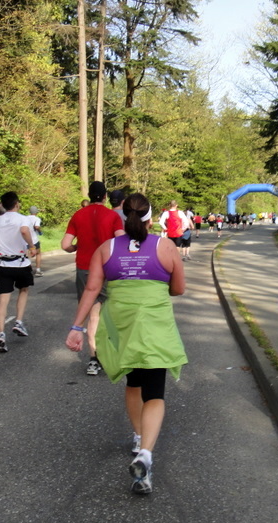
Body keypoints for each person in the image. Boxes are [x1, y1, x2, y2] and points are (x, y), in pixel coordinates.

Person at [65, 193, 187, 495]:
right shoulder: (165, 245)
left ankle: (137, 438)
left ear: (123, 217)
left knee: (133, 383)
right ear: (149, 217)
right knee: (154, 392)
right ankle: (146, 453)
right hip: (154, 327)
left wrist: (76, 327)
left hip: (121, 326)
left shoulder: (106, 249)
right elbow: (179, 289)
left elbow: (92, 289)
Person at [62, 181, 125, 375]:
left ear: (89, 196)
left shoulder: (78, 215)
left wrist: (76, 247)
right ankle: (114, 354)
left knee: (93, 315)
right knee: (111, 313)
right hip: (107, 269)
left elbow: (65, 245)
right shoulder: (113, 216)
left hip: (84, 269)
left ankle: (93, 359)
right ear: (105, 197)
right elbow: (121, 241)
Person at [0, 191, 36, 353]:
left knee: (3, 300)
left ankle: (0, 334)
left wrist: (0, 241)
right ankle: (18, 321)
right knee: (24, 290)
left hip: (3, 264)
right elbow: (24, 231)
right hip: (21, 263)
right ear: (16, 204)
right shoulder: (22, 218)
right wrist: (31, 246)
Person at [25, 206, 43, 277]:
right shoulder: (37, 219)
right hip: (34, 239)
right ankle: (38, 270)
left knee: (27, 254)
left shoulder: (25, 218)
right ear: (36, 212)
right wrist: (40, 231)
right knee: (38, 253)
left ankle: (28, 270)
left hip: (25, 239)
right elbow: (37, 227)